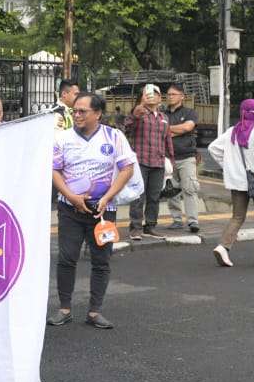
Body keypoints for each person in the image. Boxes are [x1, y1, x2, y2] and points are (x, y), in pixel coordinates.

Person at [47, 93, 135, 330]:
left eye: (82, 111)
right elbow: (54, 170)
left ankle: (95, 311)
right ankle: (64, 309)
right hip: (70, 209)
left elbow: (127, 168)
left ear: (97, 114)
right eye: (75, 111)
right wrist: (70, 196)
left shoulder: (114, 137)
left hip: (103, 212)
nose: (76, 115)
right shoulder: (62, 138)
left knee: (101, 260)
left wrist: (108, 197)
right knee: (67, 258)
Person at [207, 99, 254, 267]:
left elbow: (213, 148)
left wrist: (228, 166)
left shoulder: (232, 131)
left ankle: (223, 246)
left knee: (238, 216)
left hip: (237, 180)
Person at [123, 84, 173, 241]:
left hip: (158, 162)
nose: (151, 96)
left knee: (154, 196)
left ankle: (150, 226)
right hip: (140, 161)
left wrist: (171, 159)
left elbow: (167, 139)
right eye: (147, 93)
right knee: (138, 196)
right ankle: (135, 228)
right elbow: (127, 127)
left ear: (159, 97)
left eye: (154, 93)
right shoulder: (138, 113)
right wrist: (139, 109)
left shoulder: (164, 118)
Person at [164, 83, 200, 233]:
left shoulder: (190, 112)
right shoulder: (163, 114)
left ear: (181, 96)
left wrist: (168, 130)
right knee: (171, 190)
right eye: (168, 94)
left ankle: (193, 221)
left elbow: (187, 127)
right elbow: (159, 132)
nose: (170, 97)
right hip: (168, 158)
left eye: (173, 94)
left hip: (186, 157)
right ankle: (176, 220)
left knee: (189, 189)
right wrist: (179, 130)